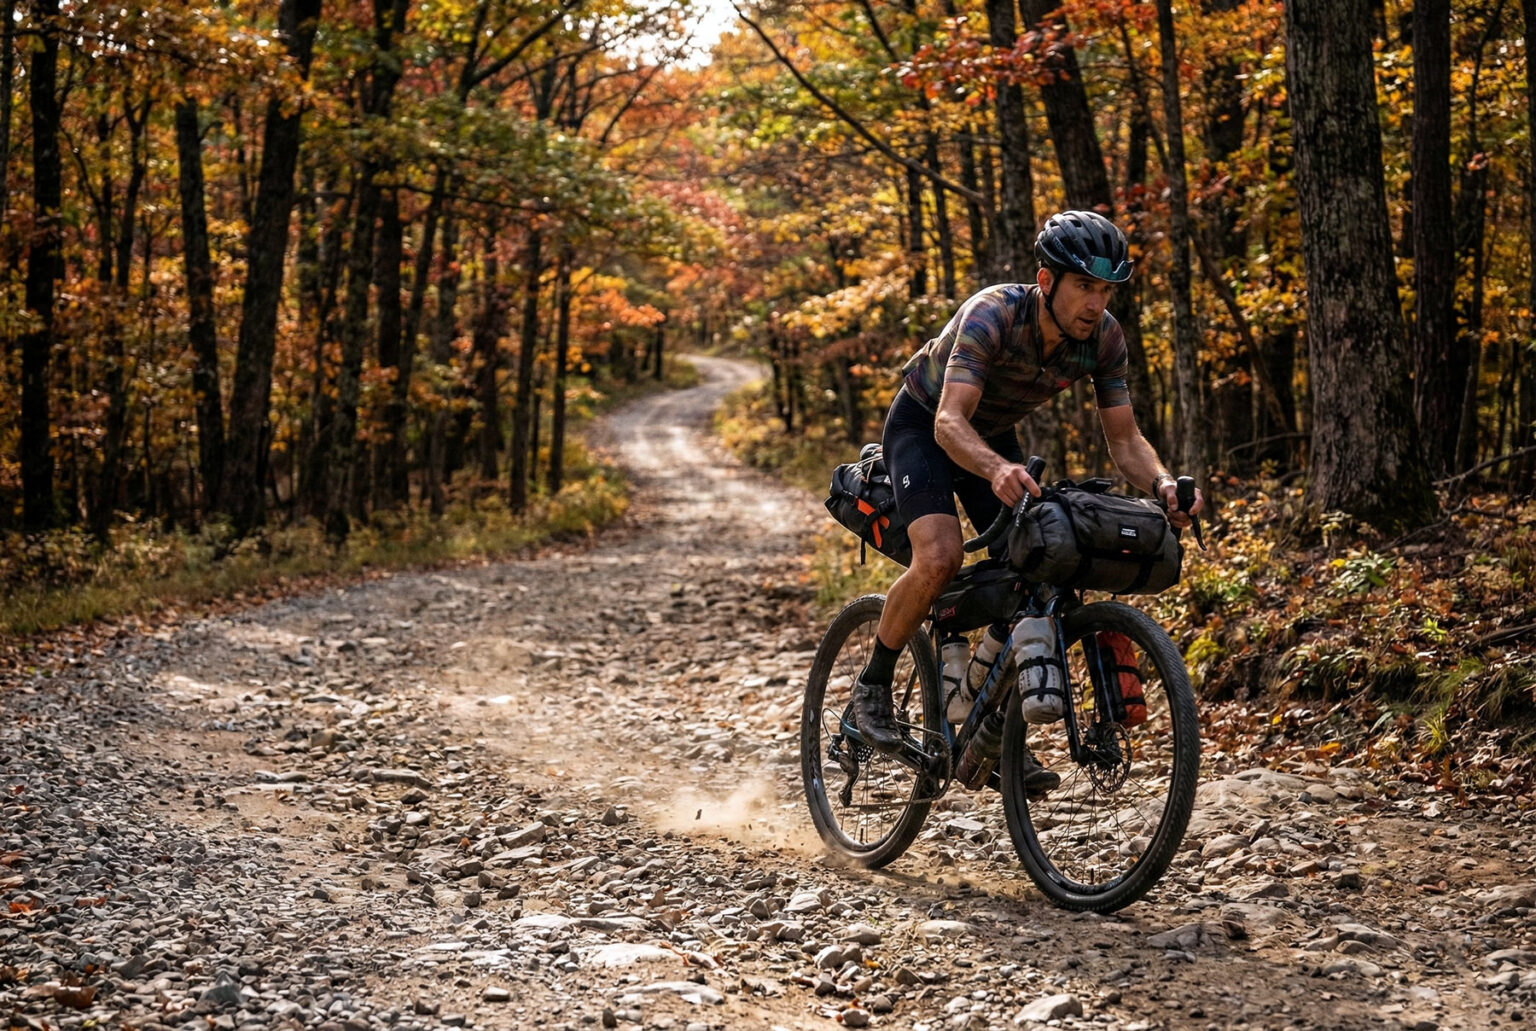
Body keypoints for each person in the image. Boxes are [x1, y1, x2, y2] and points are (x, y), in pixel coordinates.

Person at [852, 210, 1205, 766]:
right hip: (926, 424)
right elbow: (948, 422)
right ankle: (872, 688)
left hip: (989, 436)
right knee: (940, 556)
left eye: (1106, 290)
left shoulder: (1105, 338)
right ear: (1047, 282)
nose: (1096, 303)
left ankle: (989, 724)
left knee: (1036, 556)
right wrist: (995, 470)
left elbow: (1125, 437)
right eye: (1084, 286)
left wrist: (1162, 484)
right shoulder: (993, 315)